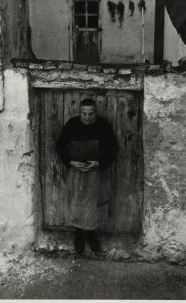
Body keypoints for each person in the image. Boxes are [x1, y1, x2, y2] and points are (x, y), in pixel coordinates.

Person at [56, 98, 118, 254]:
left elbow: (113, 148)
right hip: (76, 172)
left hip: (95, 173)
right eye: (84, 114)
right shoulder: (72, 124)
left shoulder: (103, 125)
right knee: (76, 203)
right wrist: (70, 162)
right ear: (80, 113)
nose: (87, 117)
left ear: (95, 112)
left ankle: (91, 234)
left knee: (95, 203)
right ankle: (78, 235)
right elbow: (60, 146)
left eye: (91, 114)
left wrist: (99, 163)